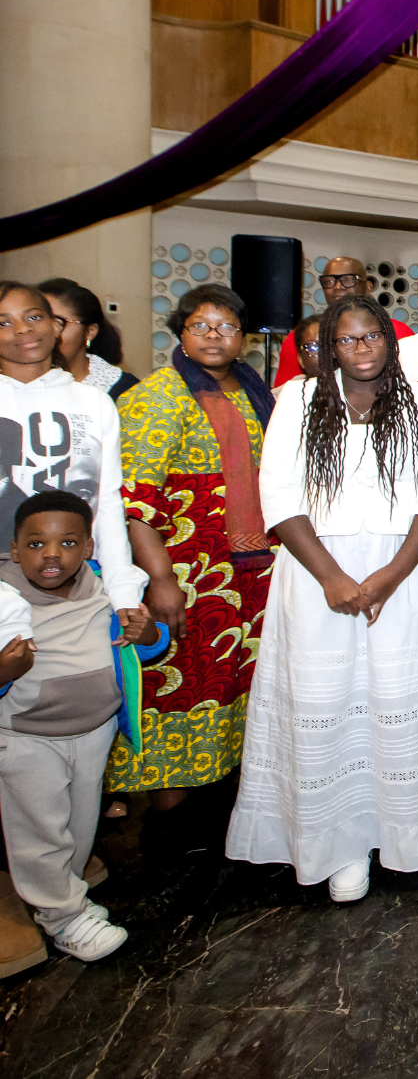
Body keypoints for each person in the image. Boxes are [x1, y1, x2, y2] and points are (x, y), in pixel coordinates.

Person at [227, 296, 418, 901]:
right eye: (347, 340)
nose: (361, 349)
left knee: (395, 699)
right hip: (314, 573)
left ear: (390, 339)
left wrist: (389, 576)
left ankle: (400, 833)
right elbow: (278, 494)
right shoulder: (299, 402)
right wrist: (331, 576)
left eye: (372, 337)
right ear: (331, 347)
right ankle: (333, 844)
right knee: (325, 703)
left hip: (403, 573)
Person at [109, 285, 276, 810]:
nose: (212, 336)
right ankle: (169, 822)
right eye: (199, 325)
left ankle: (226, 804)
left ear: (243, 340)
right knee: (181, 686)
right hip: (188, 576)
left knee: (235, 688)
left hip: (248, 576)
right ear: (179, 333)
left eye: (225, 327)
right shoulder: (156, 396)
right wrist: (159, 580)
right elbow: (135, 498)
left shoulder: (256, 394)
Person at [0, 491, 159, 964]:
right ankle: (63, 918)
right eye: (35, 545)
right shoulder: (4, 600)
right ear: (14, 550)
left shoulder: (109, 588)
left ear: (89, 548)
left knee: (79, 825)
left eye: (68, 542)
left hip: (94, 732)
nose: (52, 554)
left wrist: (146, 633)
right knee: (41, 832)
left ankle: (63, 889)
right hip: (28, 738)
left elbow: (146, 646)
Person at [0, 281, 145, 637]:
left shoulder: (94, 402)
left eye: (34, 316)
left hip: (78, 577)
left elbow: (107, 502)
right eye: (3, 322)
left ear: (56, 325)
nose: (22, 329)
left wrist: (122, 590)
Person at [272, 257, 413, 387]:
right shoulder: (305, 337)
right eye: (329, 281)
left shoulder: (399, 331)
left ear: (368, 287)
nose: (338, 286)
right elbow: (284, 392)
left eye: (349, 279)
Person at [38, 279, 138, 400]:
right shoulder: (14, 384)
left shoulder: (124, 391)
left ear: (89, 332)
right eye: (36, 320)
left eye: (58, 322)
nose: (45, 332)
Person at [274, 316, 321, 398]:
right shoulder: (290, 393)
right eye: (313, 348)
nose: (325, 353)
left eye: (330, 345)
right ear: (300, 359)